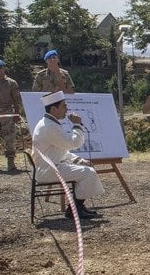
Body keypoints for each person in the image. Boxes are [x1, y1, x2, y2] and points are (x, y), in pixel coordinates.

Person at [31, 90, 105, 219]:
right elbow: (73, 143)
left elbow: (60, 150)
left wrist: (78, 160)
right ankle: (75, 209)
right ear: (54, 109)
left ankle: (77, 207)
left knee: (86, 170)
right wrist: (77, 125)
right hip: (49, 169)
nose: (67, 109)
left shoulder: (49, 124)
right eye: (64, 106)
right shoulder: (49, 127)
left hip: (52, 166)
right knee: (88, 173)